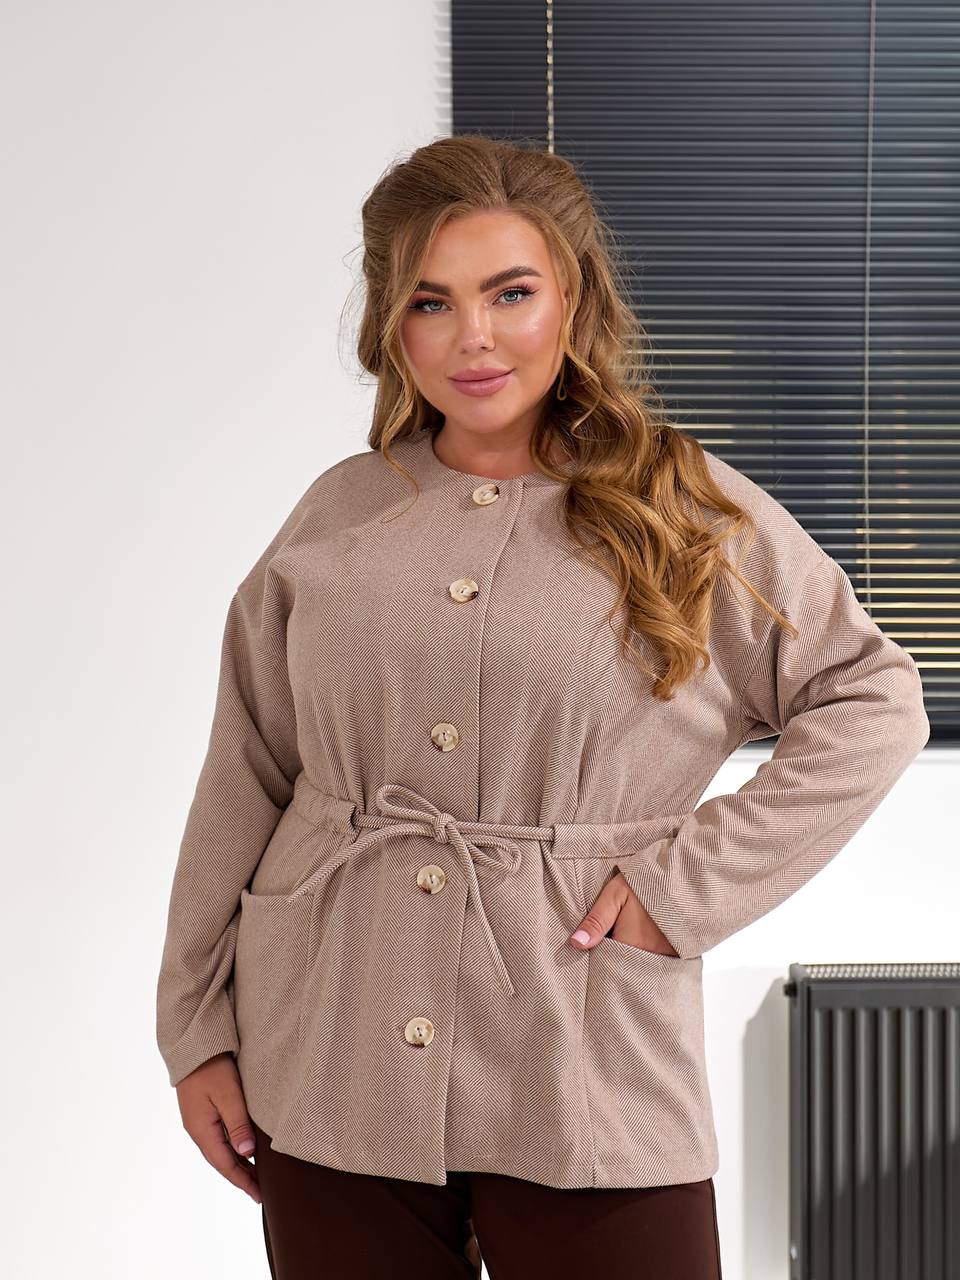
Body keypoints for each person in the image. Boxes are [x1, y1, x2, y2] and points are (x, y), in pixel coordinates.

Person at [155, 134, 929, 1279]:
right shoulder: (337, 513)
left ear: (572, 298)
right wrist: (195, 1027)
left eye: (510, 293)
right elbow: (248, 774)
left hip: (582, 1047)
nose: (472, 336)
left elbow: (872, 696)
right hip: (329, 1046)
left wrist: (679, 886)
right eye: (431, 301)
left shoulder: (683, 506)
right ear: (391, 326)